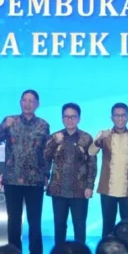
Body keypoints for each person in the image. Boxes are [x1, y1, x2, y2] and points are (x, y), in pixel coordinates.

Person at [0, 90, 50, 254]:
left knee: (35, 222)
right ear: (20, 102)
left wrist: (46, 175)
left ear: (37, 104)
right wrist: (3, 126)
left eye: (31, 101)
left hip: (35, 181)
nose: (28, 104)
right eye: (25, 100)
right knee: (14, 221)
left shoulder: (43, 125)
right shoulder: (10, 121)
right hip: (12, 179)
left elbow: (46, 153)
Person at [88, 102, 128, 238]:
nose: (120, 118)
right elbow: (91, 152)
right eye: (117, 115)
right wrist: (100, 139)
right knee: (108, 227)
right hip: (107, 189)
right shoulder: (103, 134)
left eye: (123, 115)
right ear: (112, 118)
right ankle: (106, 251)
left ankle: (127, 251)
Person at [44, 103, 97, 245]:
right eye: (66, 117)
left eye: (73, 117)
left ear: (79, 118)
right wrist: (54, 143)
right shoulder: (55, 137)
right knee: (59, 225)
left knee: (79, 226)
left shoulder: (87, 138)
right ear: (62, 118)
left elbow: (92, 164)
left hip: (80, 189)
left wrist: (90, 186)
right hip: (58, 188)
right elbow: (46, 158)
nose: (70, 120)